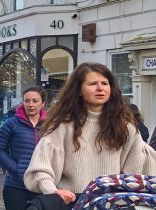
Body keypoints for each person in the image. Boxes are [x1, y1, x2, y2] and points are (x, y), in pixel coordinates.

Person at [25, 63, 156, 201]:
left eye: (105, 83)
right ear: (79, 90)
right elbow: (41, 168)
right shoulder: (63, 124)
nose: (100, 88)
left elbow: (138, 172)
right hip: (73, 205)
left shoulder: (124, 126)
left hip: (111, 207)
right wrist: (52, 191)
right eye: (93, 83)